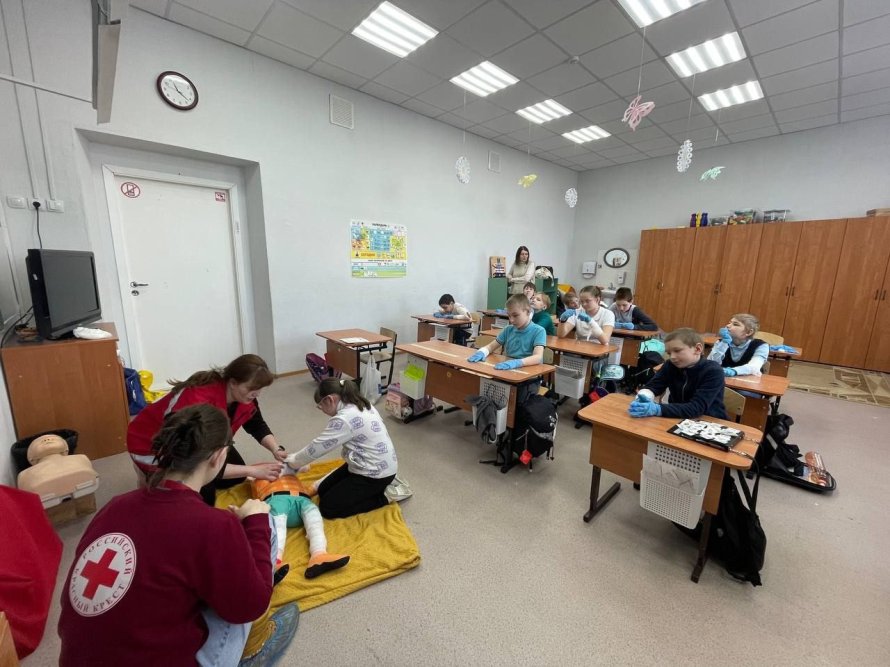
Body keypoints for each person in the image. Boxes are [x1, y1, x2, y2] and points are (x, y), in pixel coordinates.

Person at [59, 405, 298, 667]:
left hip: (75, 659)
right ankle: (253, 652)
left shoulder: (114, 506)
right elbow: (250, 607)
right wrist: (256, 522)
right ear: (219, 457)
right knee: (265, 523)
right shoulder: (215, 525)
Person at [127, 354, 285, 506]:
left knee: (234, 477)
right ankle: (149, 477)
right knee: (202, 498)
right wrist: (253, 471)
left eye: (260, 389)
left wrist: (276, 449)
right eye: (252, 388)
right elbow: (191, 456)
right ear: (233, 382)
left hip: (201, 441)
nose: (257, 394)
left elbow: (256, 424)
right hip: (150, 445)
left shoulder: (245, 398)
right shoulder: (198, 400)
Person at [284, 378, 398, 519]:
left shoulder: (344, 419)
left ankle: (385, 496)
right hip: (368, 464)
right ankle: (376, 489)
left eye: (320, 406)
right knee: (323, 490)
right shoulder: (362, 404)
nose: (322, 410)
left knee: (328, 508)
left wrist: (292, 462)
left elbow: (316, 448)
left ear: (329, 400)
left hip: (375, 475)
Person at [627, 328, 727, 420]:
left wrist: (657, 409)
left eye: (677, 351)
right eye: (669, 353)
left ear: (697, 349)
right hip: (677, 417)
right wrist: (644, 396)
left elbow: (696, 408)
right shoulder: (670, 365)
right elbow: (653, 386)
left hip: (708, 421)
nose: (672, 357)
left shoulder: (713, 371)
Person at [467, 294, 546, 403]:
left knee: (512, 402)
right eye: (509, 316)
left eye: (515, 315)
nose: (511, 320)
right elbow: (491, 346)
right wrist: (482, 352)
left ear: (528, 312)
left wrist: (517, 363)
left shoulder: (539, 331)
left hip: (528, 380)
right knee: (487, 389)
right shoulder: (508, 330)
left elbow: (537, 357)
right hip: (508, 372)